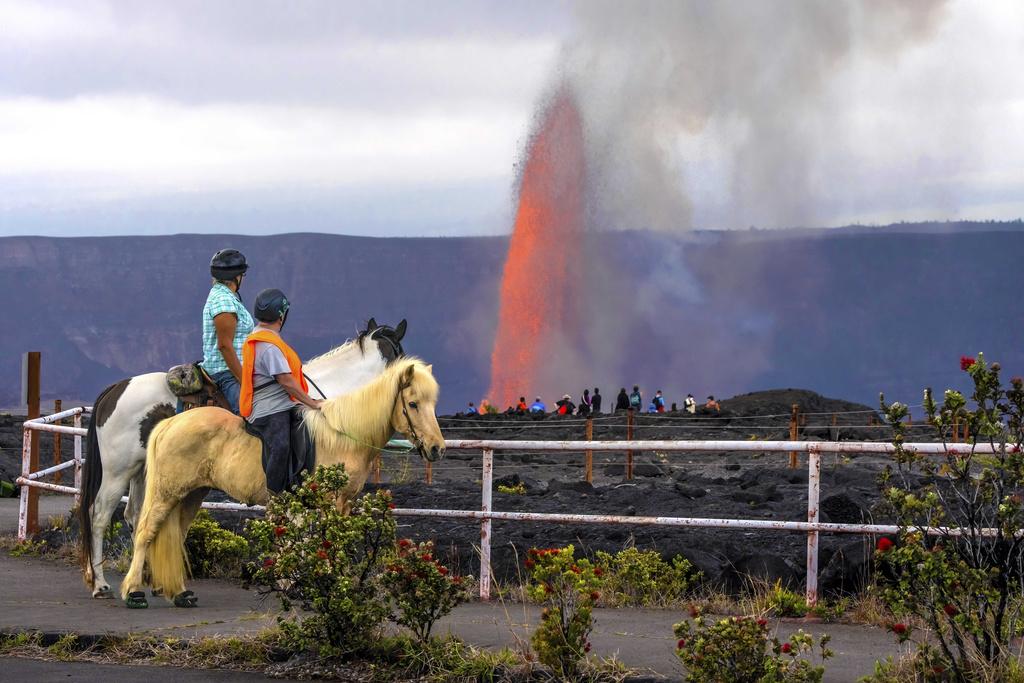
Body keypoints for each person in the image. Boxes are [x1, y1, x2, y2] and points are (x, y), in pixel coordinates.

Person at [239, 289, 323, 493]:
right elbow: (286, 381)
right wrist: (312, 403)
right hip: (269, 407)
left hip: (282, 402)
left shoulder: (262, 337)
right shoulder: (269, 346)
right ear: (281, 315)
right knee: (281, 445)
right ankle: (275, 495)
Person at [200, 249, 253, 413]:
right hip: (226, 374)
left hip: (231, 370)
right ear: (236, 277)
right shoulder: (224, 301)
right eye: (242, 275)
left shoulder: (224, 297)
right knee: (253, 418)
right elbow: (224, 345)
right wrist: (244, 380)